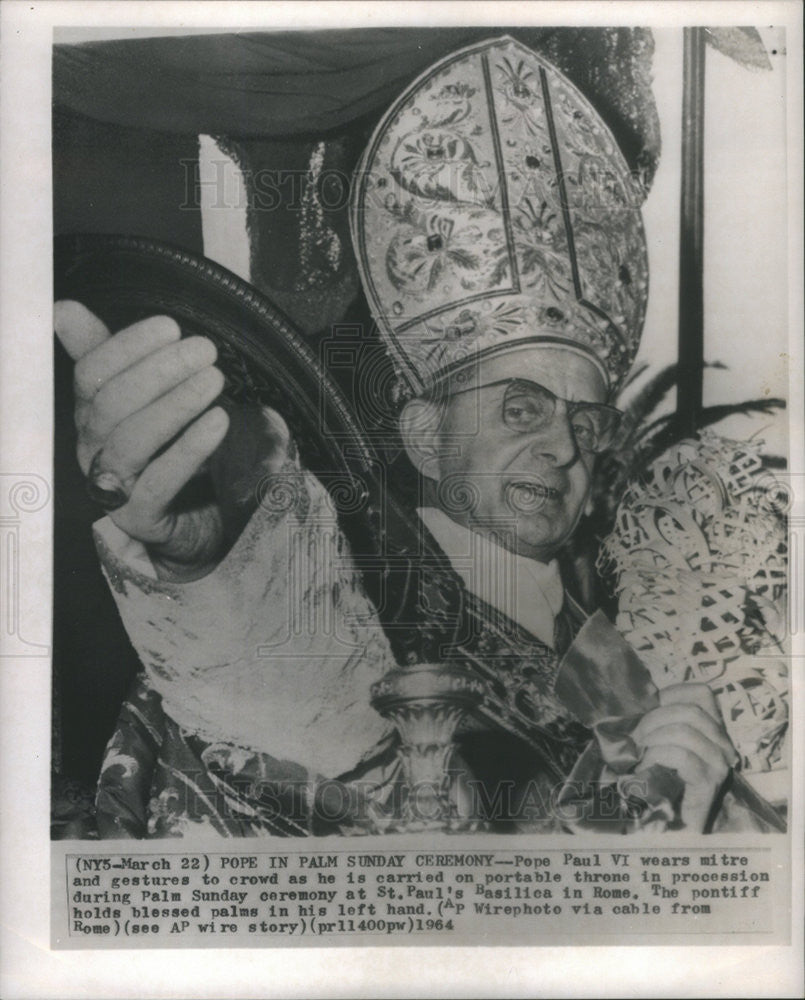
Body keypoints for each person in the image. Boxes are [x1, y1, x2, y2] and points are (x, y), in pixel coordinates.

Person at [54, 36, 739, 838]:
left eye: (585, 423)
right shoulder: (343, 602)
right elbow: (305, 732)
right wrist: (212, 567)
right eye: (520, 408)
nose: (563, 446)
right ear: (422, 436)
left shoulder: (616, 657)